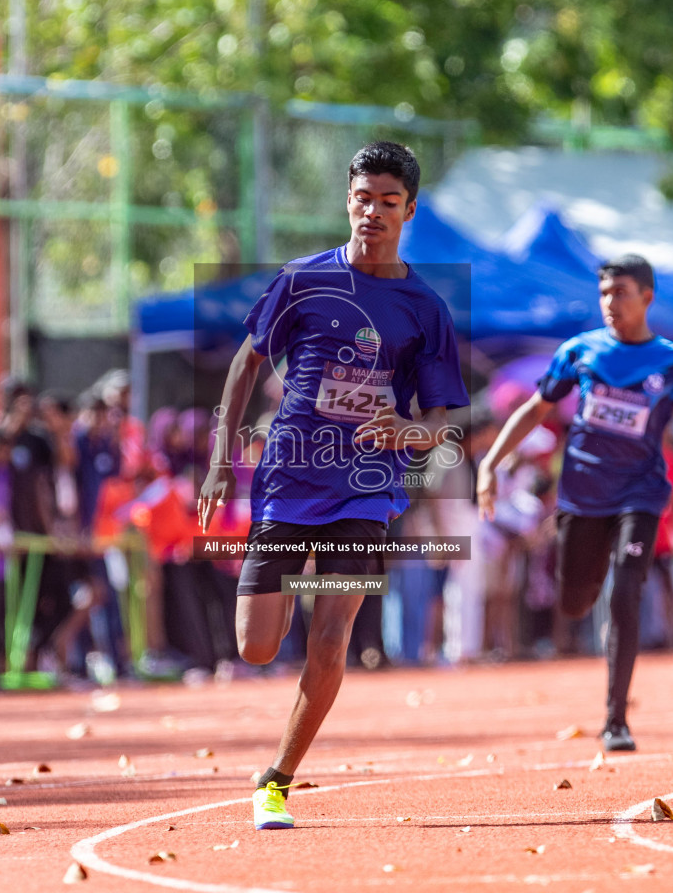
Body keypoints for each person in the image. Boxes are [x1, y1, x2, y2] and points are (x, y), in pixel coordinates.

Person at [197, 142, 470, 829]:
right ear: (347, 201)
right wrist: (220, 458)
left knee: (331, 636)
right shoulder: (303, 281)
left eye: (387, 201)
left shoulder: (424, 309)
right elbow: (247, 361)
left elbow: (439, 420)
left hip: (364, 492)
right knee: (256, 646)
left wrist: (405, 430)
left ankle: (276, 779)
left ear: (409, 209)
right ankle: (290, 586)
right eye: (361, 198)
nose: (372, 212)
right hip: (288, 480)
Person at [476, 253, 673, 753]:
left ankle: (615, 719)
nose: (610, 303)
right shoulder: (579, 351)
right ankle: (585, 585)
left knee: (626, 591)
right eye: (603, 293)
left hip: (640, 495)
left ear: (647, 297)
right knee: (575, 600)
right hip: (581, 497)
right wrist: (491, 461)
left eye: (620, 292)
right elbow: (537, 410)